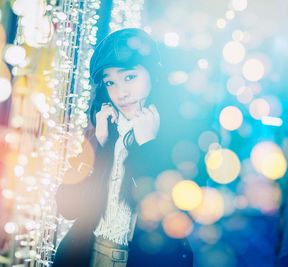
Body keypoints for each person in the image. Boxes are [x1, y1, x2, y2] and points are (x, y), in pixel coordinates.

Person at [53, 28, 193, 267]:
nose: (121, 93)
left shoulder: (179, 134)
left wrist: (148, 145)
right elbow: (68, 207)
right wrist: (97, 145)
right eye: (110, 82)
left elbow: (175, 219)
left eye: (129, 77)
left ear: (153, 74)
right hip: (89, 255)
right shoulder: (106, 129)